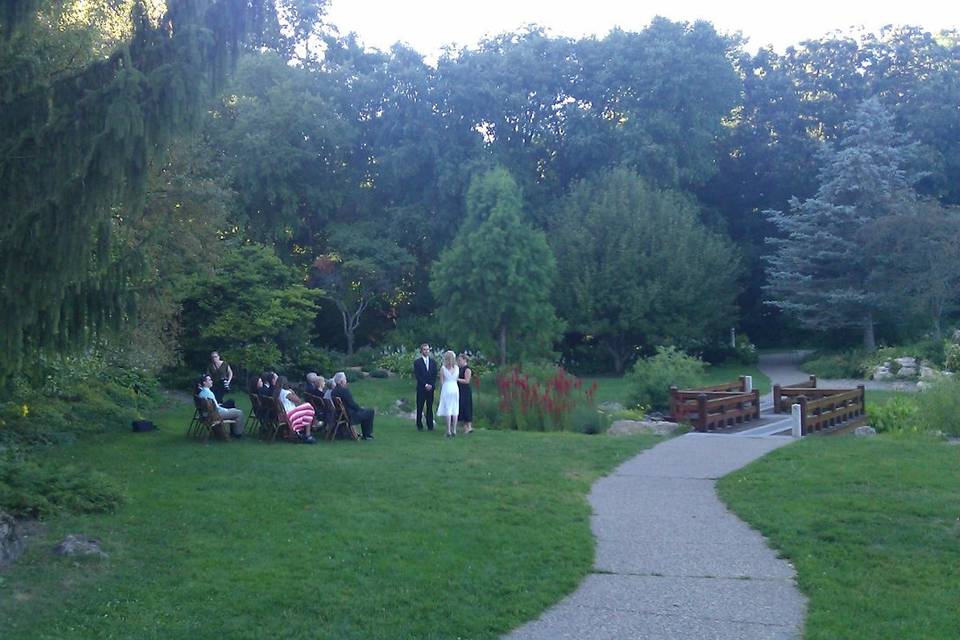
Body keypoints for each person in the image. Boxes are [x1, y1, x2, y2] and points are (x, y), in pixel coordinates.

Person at [273, 376, 317, 443]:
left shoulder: (277, 392)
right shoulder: (286, 393)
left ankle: (309, 428)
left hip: (282, 413)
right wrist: (293, 392)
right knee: (308, 408)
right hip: (289, 414)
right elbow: (298, 400)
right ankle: (308, 434)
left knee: (307, 408)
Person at [332, 371, 374, 440]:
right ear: (341, 381)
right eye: (345, 379)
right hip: (350, 415)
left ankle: (366, 434)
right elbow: (352, 404)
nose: (346, 380)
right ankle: (367, 435)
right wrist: (360, 409)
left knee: (366, 411)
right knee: (370, 412)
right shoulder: (344, 391)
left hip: (341, 414)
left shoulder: (334, 391)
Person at [413, 343, 437, 431]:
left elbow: (434, 374)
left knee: (430, 406)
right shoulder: (417, 362)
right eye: (424, 349)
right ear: (421, 351)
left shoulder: (433, 362)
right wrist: (425, 385)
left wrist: (431, 385)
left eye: (428, 349)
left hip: (430, 388)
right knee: (420, 406)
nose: (426, 351)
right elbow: (418, 375)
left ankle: (430, 425)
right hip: (421, 388)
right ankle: (419, 424)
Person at [436, 350, 460, 438]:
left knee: (448, 409)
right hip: (455, 388)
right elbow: (456, 378)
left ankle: (448, 430)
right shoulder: (457, 368)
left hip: (447, 387)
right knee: (455, 408)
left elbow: (442, 381)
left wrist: (441, 390)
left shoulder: (443, 368)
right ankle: (454, 430)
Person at [457, 354, 474, 434]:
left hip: (465, 391)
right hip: (460, 390)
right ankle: (466, 427)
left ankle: (469, 427)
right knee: (462, 408)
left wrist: (456, 379)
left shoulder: (467, 369)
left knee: (466, 408)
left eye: (460, 360)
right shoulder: (460, 369)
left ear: (464, 360)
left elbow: (467, 381)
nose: (458, 362)